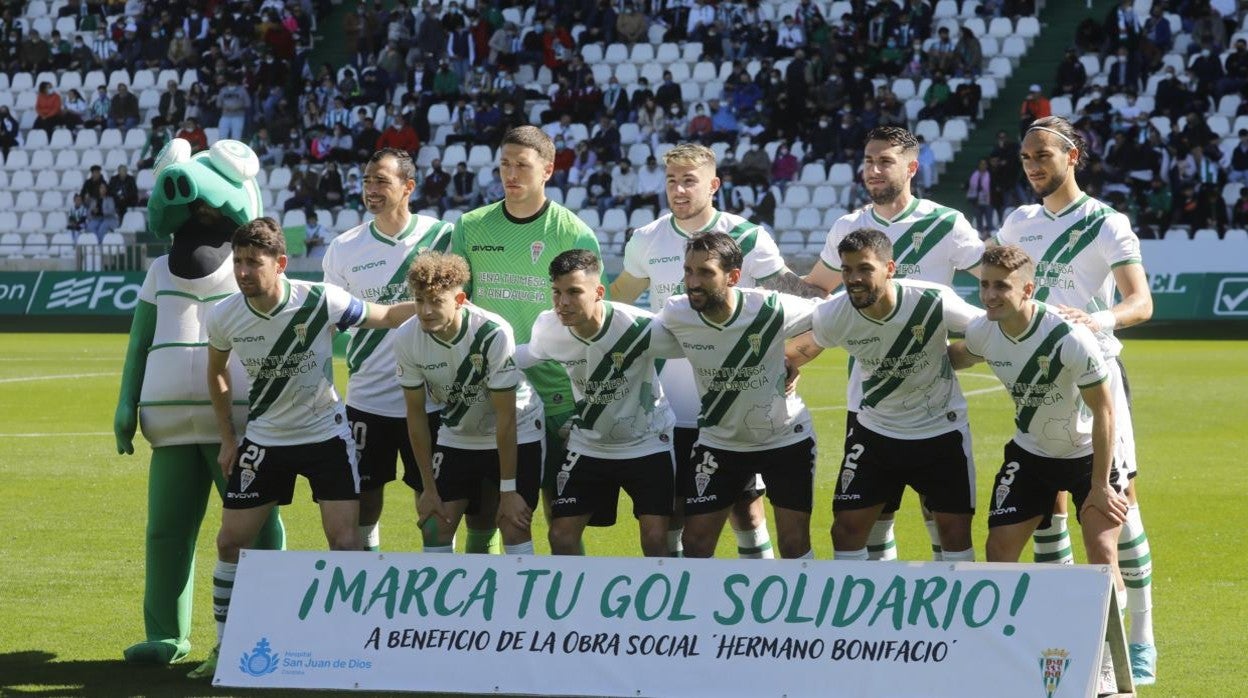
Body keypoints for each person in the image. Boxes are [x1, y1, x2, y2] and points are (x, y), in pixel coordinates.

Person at [188, 217, 418, 679]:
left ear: (281, 264)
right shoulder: (225, 314)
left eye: (254, 262)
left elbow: (387, 316)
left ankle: (355, 645)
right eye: (238, 262)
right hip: (266, 440)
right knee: (230, 541)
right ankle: (223, 646)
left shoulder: (319, 300)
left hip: (326, 437)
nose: (243, 271)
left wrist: (435, 304)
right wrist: (229, 437)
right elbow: (216, 372)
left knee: (345, 541)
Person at [994, 115, 1156, 685]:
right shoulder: (1018, 222)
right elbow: (1000, 287)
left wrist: (1099, 319)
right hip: (1036, 382)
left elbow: (1141, 302)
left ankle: (1139, 634)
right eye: (1026, 158)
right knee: (1047, 507)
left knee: (1115, 505)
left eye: (1043, 155)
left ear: (1073, 157)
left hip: (1098, 380)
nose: (1034, 166)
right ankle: (1066, 630)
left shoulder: (1107, 222)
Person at [611, 143, 822, 559]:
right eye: (672, 180)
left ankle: (757, 597)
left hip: (740, 408)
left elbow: (800, 303)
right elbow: (618, 303)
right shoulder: (647, 239)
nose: (679, 190)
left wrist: (793, 357)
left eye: (690, 181)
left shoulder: (746, 237)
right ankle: (673, 603)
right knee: (674, 511)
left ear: (714, 185)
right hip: (671, 407)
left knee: (745, 508)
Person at [803, 126, 984, 562]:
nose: (874, 170)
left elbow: (998, 286)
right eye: (869, 161)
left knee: (938, 514)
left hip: (930, 398)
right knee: (872, 516)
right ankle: (883, 626)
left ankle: (943, 618)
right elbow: (815, 290)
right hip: (867, 398)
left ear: (912, 167)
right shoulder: (849, 226)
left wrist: (960, 354)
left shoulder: (945, 223)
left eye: (885, 161)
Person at [947, 244, 1128, 668]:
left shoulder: (1068, 337)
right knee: (999, 550)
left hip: (1087, 456)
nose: (989, 295)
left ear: (1027, 288)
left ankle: (1106, 666)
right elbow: (959, 356)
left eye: (1001, 287)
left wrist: (1100, 486)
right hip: (1030, 455)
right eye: (984, 285)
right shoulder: (983, 330)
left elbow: (1104, 410)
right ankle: (1008, 657)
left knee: (1102, 556)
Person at [451, 126, 602, 522]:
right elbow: (457, 307)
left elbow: (590, 318)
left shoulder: (573, 232)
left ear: (548, 170)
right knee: (486, 514)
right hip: (489, 387)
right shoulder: (470, 226)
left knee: (562, 519)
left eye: (522, 165)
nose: (510, 174)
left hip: (557, 389)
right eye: (504, 164)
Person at [321, 149, 461, 553]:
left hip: (434, 397)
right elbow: (330, 323)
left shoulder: (443, 237)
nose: (371, 189)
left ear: (408, 187)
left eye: (382, 181)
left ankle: (439, 586)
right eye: (367, 181)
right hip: (368, 399)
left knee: (435, 502)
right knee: (365, 501)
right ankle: (367, 587)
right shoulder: (344, 247)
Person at [653, 233, 818, 559]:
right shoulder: (677, 312)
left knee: (794, 544)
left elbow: (832, 319)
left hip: (785, 440)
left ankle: (795, 610)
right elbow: (634, 337)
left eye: (705, 272)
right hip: (720, 443)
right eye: (688, 271)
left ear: (734, 277)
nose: (693, 282)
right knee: (697, 544)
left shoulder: (769, 307)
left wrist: (793, 358)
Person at [518, 250, 676, 557]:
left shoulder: (641, 327)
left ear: (598, 292)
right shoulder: (548, 327)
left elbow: (700, 349)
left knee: (656, 539)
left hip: (647, 442)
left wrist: (787, 359)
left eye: (574, 292)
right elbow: (527, 355)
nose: (563, 303)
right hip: (589, 445)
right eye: (557, 292)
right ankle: (575, 604)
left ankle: (662, 604)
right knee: (561, 537)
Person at [395, 251, 544, 556]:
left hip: (519, 430)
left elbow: (506, 419)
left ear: (460, 300)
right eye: (420, 300)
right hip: (457, 435)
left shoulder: (492, 332)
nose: (425, 310)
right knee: (435, 525)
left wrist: (509, 491)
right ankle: (438, 603)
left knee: (513, 524)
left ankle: (517, 601)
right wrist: (428, 489)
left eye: (436, 301)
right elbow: (416, 416)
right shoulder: (407, 336)